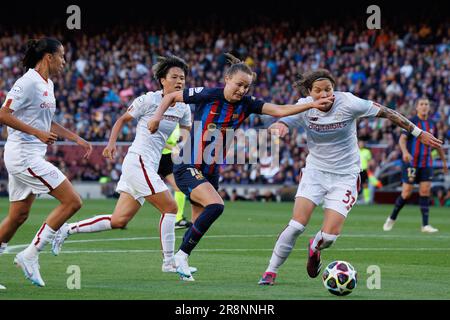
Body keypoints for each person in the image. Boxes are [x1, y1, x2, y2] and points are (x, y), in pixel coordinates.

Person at [147, 53, 335, 281]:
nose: (242, 90)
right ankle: (180, 256)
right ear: (227, 79)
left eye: (246, 86)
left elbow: (278, 110)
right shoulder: (209, 94)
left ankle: (180, 262)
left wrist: (311, 105)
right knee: (216, 206)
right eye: (239, 84)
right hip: (188, 162)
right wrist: (157, 117)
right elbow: (171, 97)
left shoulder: (247, 104)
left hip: (211, 169)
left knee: (199, 218)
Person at [258, 69, 443, 285]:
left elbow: (387, 112)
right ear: (310, 92)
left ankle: (315, 247)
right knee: (296, 225)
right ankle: (270, 271)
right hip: (315, 173)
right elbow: (283, 122)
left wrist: (418, 133)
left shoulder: (349, 103)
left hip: (345, 176)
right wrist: (280, 127)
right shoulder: (304, 106)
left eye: (328, 89)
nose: (324, 94)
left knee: (329, 237)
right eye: (318, 91)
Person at [51, 55, 196, 274]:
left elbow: (186, 131)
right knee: (170, 207)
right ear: (162, 80)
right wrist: (110, 144)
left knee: (119, 220)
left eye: (183, 78)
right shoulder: (148, 100)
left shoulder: (183, 107)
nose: (179, 81)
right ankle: (169, 262)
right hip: (138, 161)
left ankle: (67, 229)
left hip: (148, 164)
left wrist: (181, 145)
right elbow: (121, 120)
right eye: (174, 77)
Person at [0, 37, 93, 287]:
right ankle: (30, 255)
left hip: (31, 154)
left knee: (18, 216)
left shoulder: (47, 84)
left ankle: (28, 255)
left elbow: (45, 121)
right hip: (23, 155)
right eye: (61, 56)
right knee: (73, 201)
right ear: (48, 57)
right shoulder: (27, 82)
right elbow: (3, 114)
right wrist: (36, 133)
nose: (64, 61)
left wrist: (76, 138)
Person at [383, 98, 448, 233]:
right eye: (422, 104)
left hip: (426, 163)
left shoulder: (432, 124)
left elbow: (437, 144)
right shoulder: (412, 123)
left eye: (426, 104)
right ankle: (392, 217)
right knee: (406, 193)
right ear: (417, 107)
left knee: (425, 192)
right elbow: (402, 139)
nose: (424, 107)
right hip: (411, 163)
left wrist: (443, 162)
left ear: (429, 108)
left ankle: (425, 225)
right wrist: (405, 152)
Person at [157, 123, 192, 229]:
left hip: (166, 158)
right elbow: (156, 139)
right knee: (139, 188)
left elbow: (173, 141)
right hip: (154, 155)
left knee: (179, 187)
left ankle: (177, 219)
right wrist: (173, 148)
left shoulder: (176, 122)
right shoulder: (164, 119)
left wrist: (176, 148)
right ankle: (121, 216)